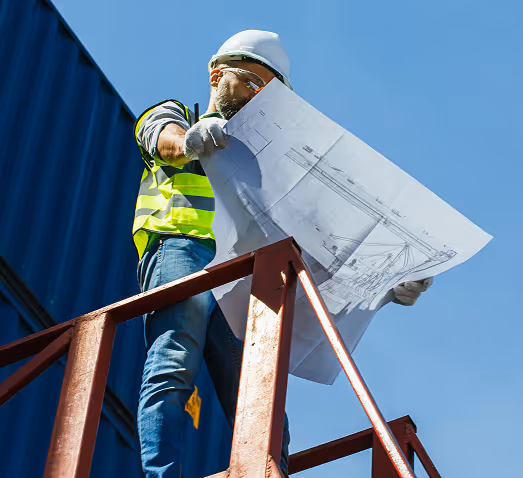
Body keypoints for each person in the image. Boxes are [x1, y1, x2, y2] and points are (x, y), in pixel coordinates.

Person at [132, 30, 432, 478]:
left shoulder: (268, 162)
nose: (258, 98)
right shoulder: (179, 115)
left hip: (240, 275)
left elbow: (320, 245)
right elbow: (163, 138)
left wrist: (386, 284)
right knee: (174, 363)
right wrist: (193, 140)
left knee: (263, 408)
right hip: (184, 248)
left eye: (269, 93)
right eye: (251, 82)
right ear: (217, 76)